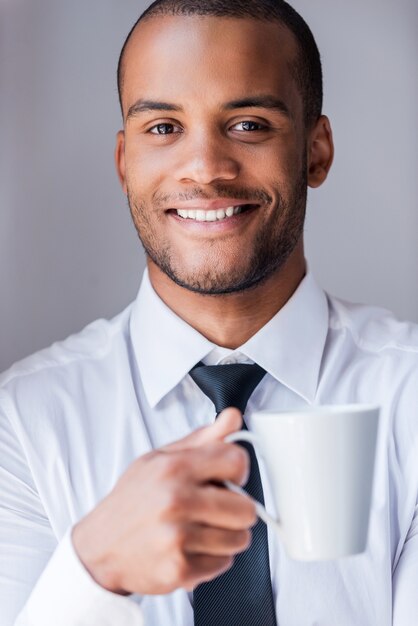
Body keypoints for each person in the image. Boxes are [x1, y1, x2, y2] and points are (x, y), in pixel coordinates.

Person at [0, 0, 417, 624]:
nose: (206, 170)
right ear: (124, 164)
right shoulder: (21, 426)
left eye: (248, 124)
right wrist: (96, 572)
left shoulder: (411, 396)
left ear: (316, 152)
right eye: (164, 128)